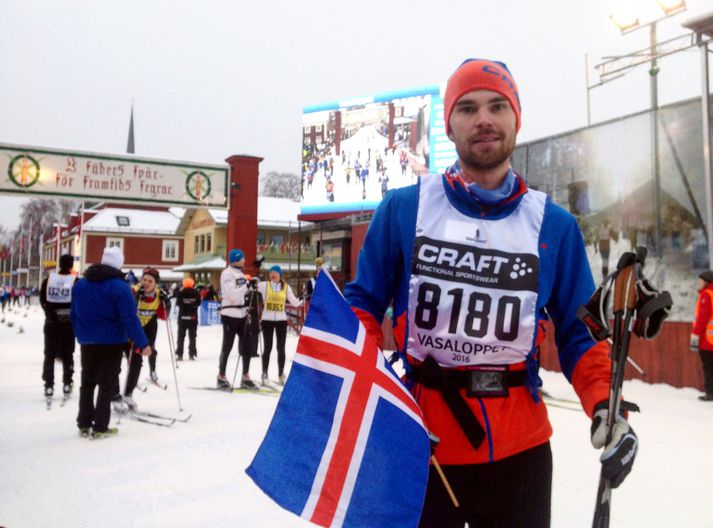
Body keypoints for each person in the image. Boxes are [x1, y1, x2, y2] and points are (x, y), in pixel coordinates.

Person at [344, 59, 638, 527]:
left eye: (497, 106)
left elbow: (578, 332)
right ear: (450, 125)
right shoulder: (403, 209)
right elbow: (360, 304)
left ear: (515, 119)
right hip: (421, 444)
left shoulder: (555, 226)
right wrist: (367, 383)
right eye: (468, 108)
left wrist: (607, 404)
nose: (484, 119)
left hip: (518, 453)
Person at [71, 246, 150, 438]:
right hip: (111, 341)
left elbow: (74, 313)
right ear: (119, 264)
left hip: (87, 340)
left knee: (87, 382)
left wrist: (80, 334)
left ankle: (84, 422)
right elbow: (129, 318)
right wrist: (143, 343)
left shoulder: (81, 284)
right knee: (106, 383)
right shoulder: (120, 287)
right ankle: (100, 426)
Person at [121, 267, 168, 409]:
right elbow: (124, 308)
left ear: (156, 283)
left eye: (150, 281)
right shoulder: (134, 290)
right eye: (144, 280)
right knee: (120, 362)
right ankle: (114, 394)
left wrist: (167, 304)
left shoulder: (159, 294)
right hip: (128, 329)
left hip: (144, 329)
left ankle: (128, 394)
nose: (146, 283)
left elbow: (164, 316)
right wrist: (135, 298)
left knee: (137, 362)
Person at [217, 248, 257, 389]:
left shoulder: (241, 274)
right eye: (242, 258)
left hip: (242, 313)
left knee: (247, 345)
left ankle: (245, 376)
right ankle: (221, 376)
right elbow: (230, 294)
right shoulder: (227, 273)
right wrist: (246, 286)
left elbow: (243, 293)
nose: (245, 260)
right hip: (230, 314)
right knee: (227, 345)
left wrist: (251, 288)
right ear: (236, 259)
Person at [256, 265, 302, 385]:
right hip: (267, 320)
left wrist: (305, 298)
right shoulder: (264, 285)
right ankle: (264, 373)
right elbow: (252, 287)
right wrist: (250, 283)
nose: (272, 275)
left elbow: (296, 303)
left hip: (281, 320)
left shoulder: (286, 287)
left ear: (280, 275)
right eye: (271, 273)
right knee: (268, 347)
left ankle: (281, 374)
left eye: (275, 273)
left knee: (280, 348)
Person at [40, 254, 77, 399]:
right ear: (71, 265)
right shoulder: (75, 280)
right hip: (68, 324)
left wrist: (50, 314)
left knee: (49, 355)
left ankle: (49, 385)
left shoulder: (49, 279)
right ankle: (67, 382)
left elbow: (43, 299)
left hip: (52, 322)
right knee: (68, 355)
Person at [691, 270, 713, 401]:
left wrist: (695, 335)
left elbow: (702, 318)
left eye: (700, 280)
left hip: (707, 340)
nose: (698, 283)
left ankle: (710, 393)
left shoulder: (706, 295)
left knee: (708, 368)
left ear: (707, 282)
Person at [175, 277, 202, 361]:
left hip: (182, 318)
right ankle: (192, 354)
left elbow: (178, 303)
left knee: (180, 337)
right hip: (193, 319)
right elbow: (198, 303)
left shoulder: (181, 293)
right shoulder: (196, 293)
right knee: (193, 337)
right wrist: (191, 305)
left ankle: (180, 355)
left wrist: (185, 305)